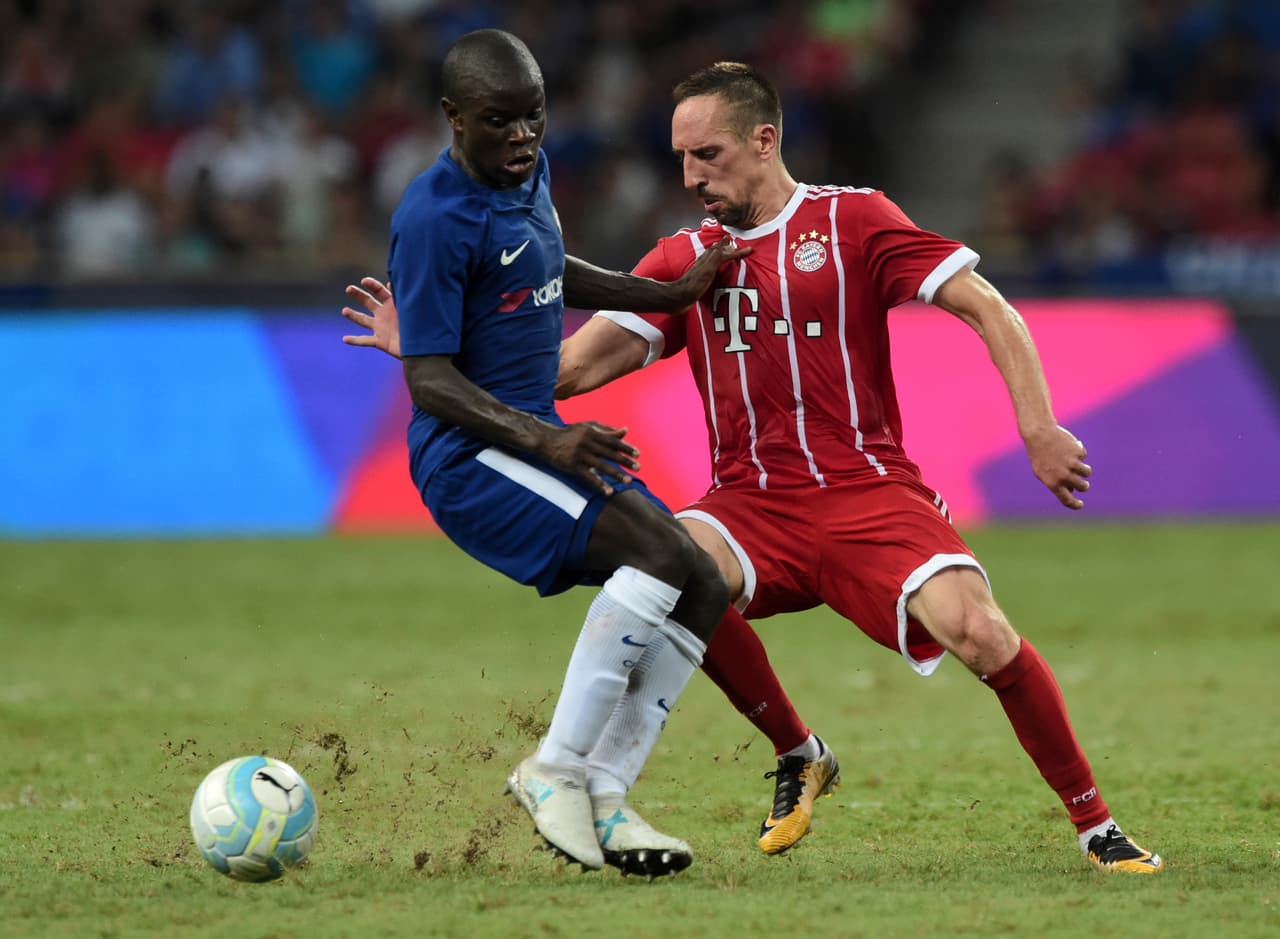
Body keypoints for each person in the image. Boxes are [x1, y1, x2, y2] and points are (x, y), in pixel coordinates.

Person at [348, 60, 1165, 875]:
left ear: (764, 140)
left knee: (981, 632)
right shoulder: (684, 261)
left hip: (869, 493)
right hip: (749, 504)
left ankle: (1096, 825)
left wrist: (1039, 425)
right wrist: (424, 338)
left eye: (707, 155)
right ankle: (794, 754)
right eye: (680, 158)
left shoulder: (854, 221)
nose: (690, 176)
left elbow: (986, 305)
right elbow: (558, 375)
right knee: (668, 564)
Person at [381, 29, 752, 878]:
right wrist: (547, 435)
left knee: (700, 576)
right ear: (454, 119)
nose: (522, 138)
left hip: (533, 439)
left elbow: (547, 268)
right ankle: (552, 770)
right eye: (500, 121)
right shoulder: (433, 218)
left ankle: (608, 794)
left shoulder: (528, 174)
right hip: (470, 456)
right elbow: (430, 381)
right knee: (661, 553)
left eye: (534, 119)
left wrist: (663, 294)